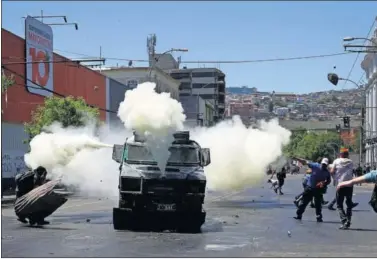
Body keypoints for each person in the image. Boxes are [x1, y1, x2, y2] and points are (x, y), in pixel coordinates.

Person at [293, 157, 331, 222]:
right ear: (321, 163)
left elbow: (328, 180)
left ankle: (319, 217)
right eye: (323, 164)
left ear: (327, 165)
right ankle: (299, 215)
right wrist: (297, 158)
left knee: (318, 204)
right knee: (304, 202)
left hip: (318, 190)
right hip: (310, 187)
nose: (324, 166)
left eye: (325, 165)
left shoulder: (327, 172)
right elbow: (305, 162)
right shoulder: (315, 166)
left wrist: (324, 183)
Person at [330, 148, 356, 230]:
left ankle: (344, 219)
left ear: (340, 154)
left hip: (340, 185)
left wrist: (334, 178)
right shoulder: (351, 162)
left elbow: (332, 171)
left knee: (339, 205)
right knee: (349, 204)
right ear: (347, 154)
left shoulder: (336, 161)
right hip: (349, 185)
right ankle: (348, 221)